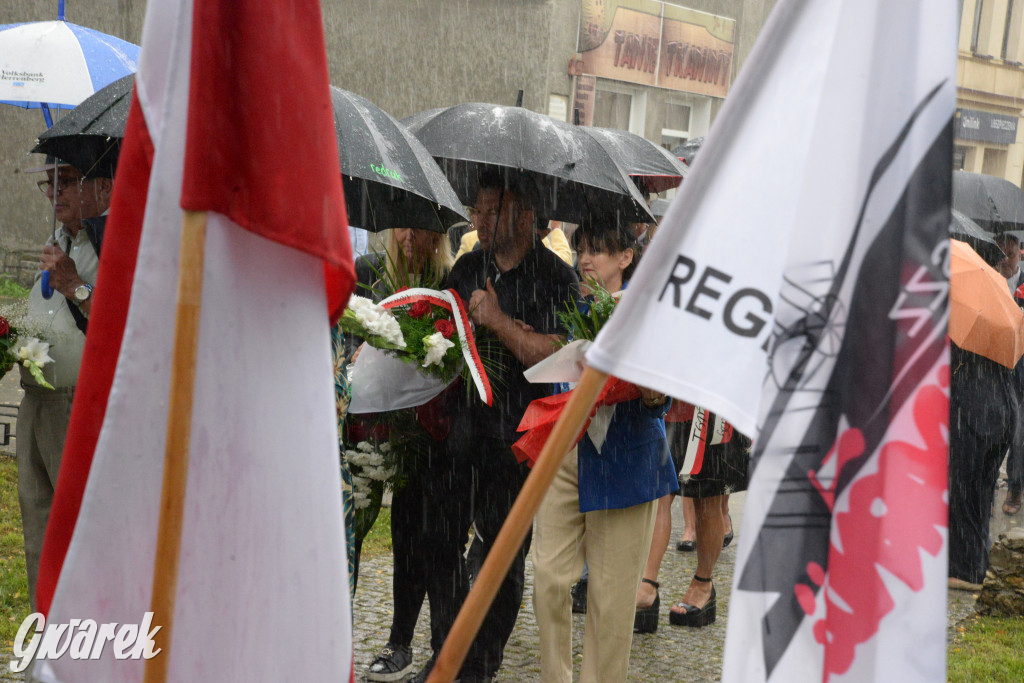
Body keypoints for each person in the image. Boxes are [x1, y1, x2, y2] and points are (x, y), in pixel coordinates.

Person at [410, 171, 579, 683]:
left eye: (490, 212)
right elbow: (439, 335)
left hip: (516, 442)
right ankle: (446, 655)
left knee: (503, 555)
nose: (478, 221)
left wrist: (501, 323)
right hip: (457, 434)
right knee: (438, 545)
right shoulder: (466, 267)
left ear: (525, 217)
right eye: (476, 211)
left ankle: (480, 664)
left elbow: (559, 354)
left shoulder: (556, 278)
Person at [532, 222, 676, 683]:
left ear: (626, 259)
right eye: (582, 250)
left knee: (611, 607)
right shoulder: (570, 308)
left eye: (598, 250)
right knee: (548, 580)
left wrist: (650, 391)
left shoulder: (648, 311)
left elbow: (661, 399)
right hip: (568, 454)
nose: (586, 259)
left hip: (628, 463)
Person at [350, 227, 458, 682]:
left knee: (441, 543)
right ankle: (400, 641)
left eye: (422, 228)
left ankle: (445, 651)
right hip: (382, 431)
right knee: (404, 537)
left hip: (438, 433)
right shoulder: (372, 275)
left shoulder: (450, 283)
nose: (411, 236)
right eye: (404, 227)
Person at [18, 153, 115, 608]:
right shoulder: (56, 240)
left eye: (69, 180)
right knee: (39, 531)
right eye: (50, 182)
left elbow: (121, 327)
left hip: (80, 405)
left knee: (79, 535)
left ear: (103, 187)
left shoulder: (114, 243)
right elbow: (41, 312)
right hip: (36, 402)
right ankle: (48, 649)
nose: (56, 191)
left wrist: (75, 285)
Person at [667, 418, 751, 628]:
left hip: (717, 410)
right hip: (680, 405)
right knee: (665, 488)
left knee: (710, 493)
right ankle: (645, 583)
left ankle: (703, 584)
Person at [994, 232, 1024, 516]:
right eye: (1001, 251)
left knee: (1018, 433)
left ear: (1019, 251)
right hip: (995, 365)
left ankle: (1015, 488)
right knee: (991, 425)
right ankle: (987, 483)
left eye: (1010, 252)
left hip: (1022, 368)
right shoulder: (987, 278)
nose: (1005, 257)